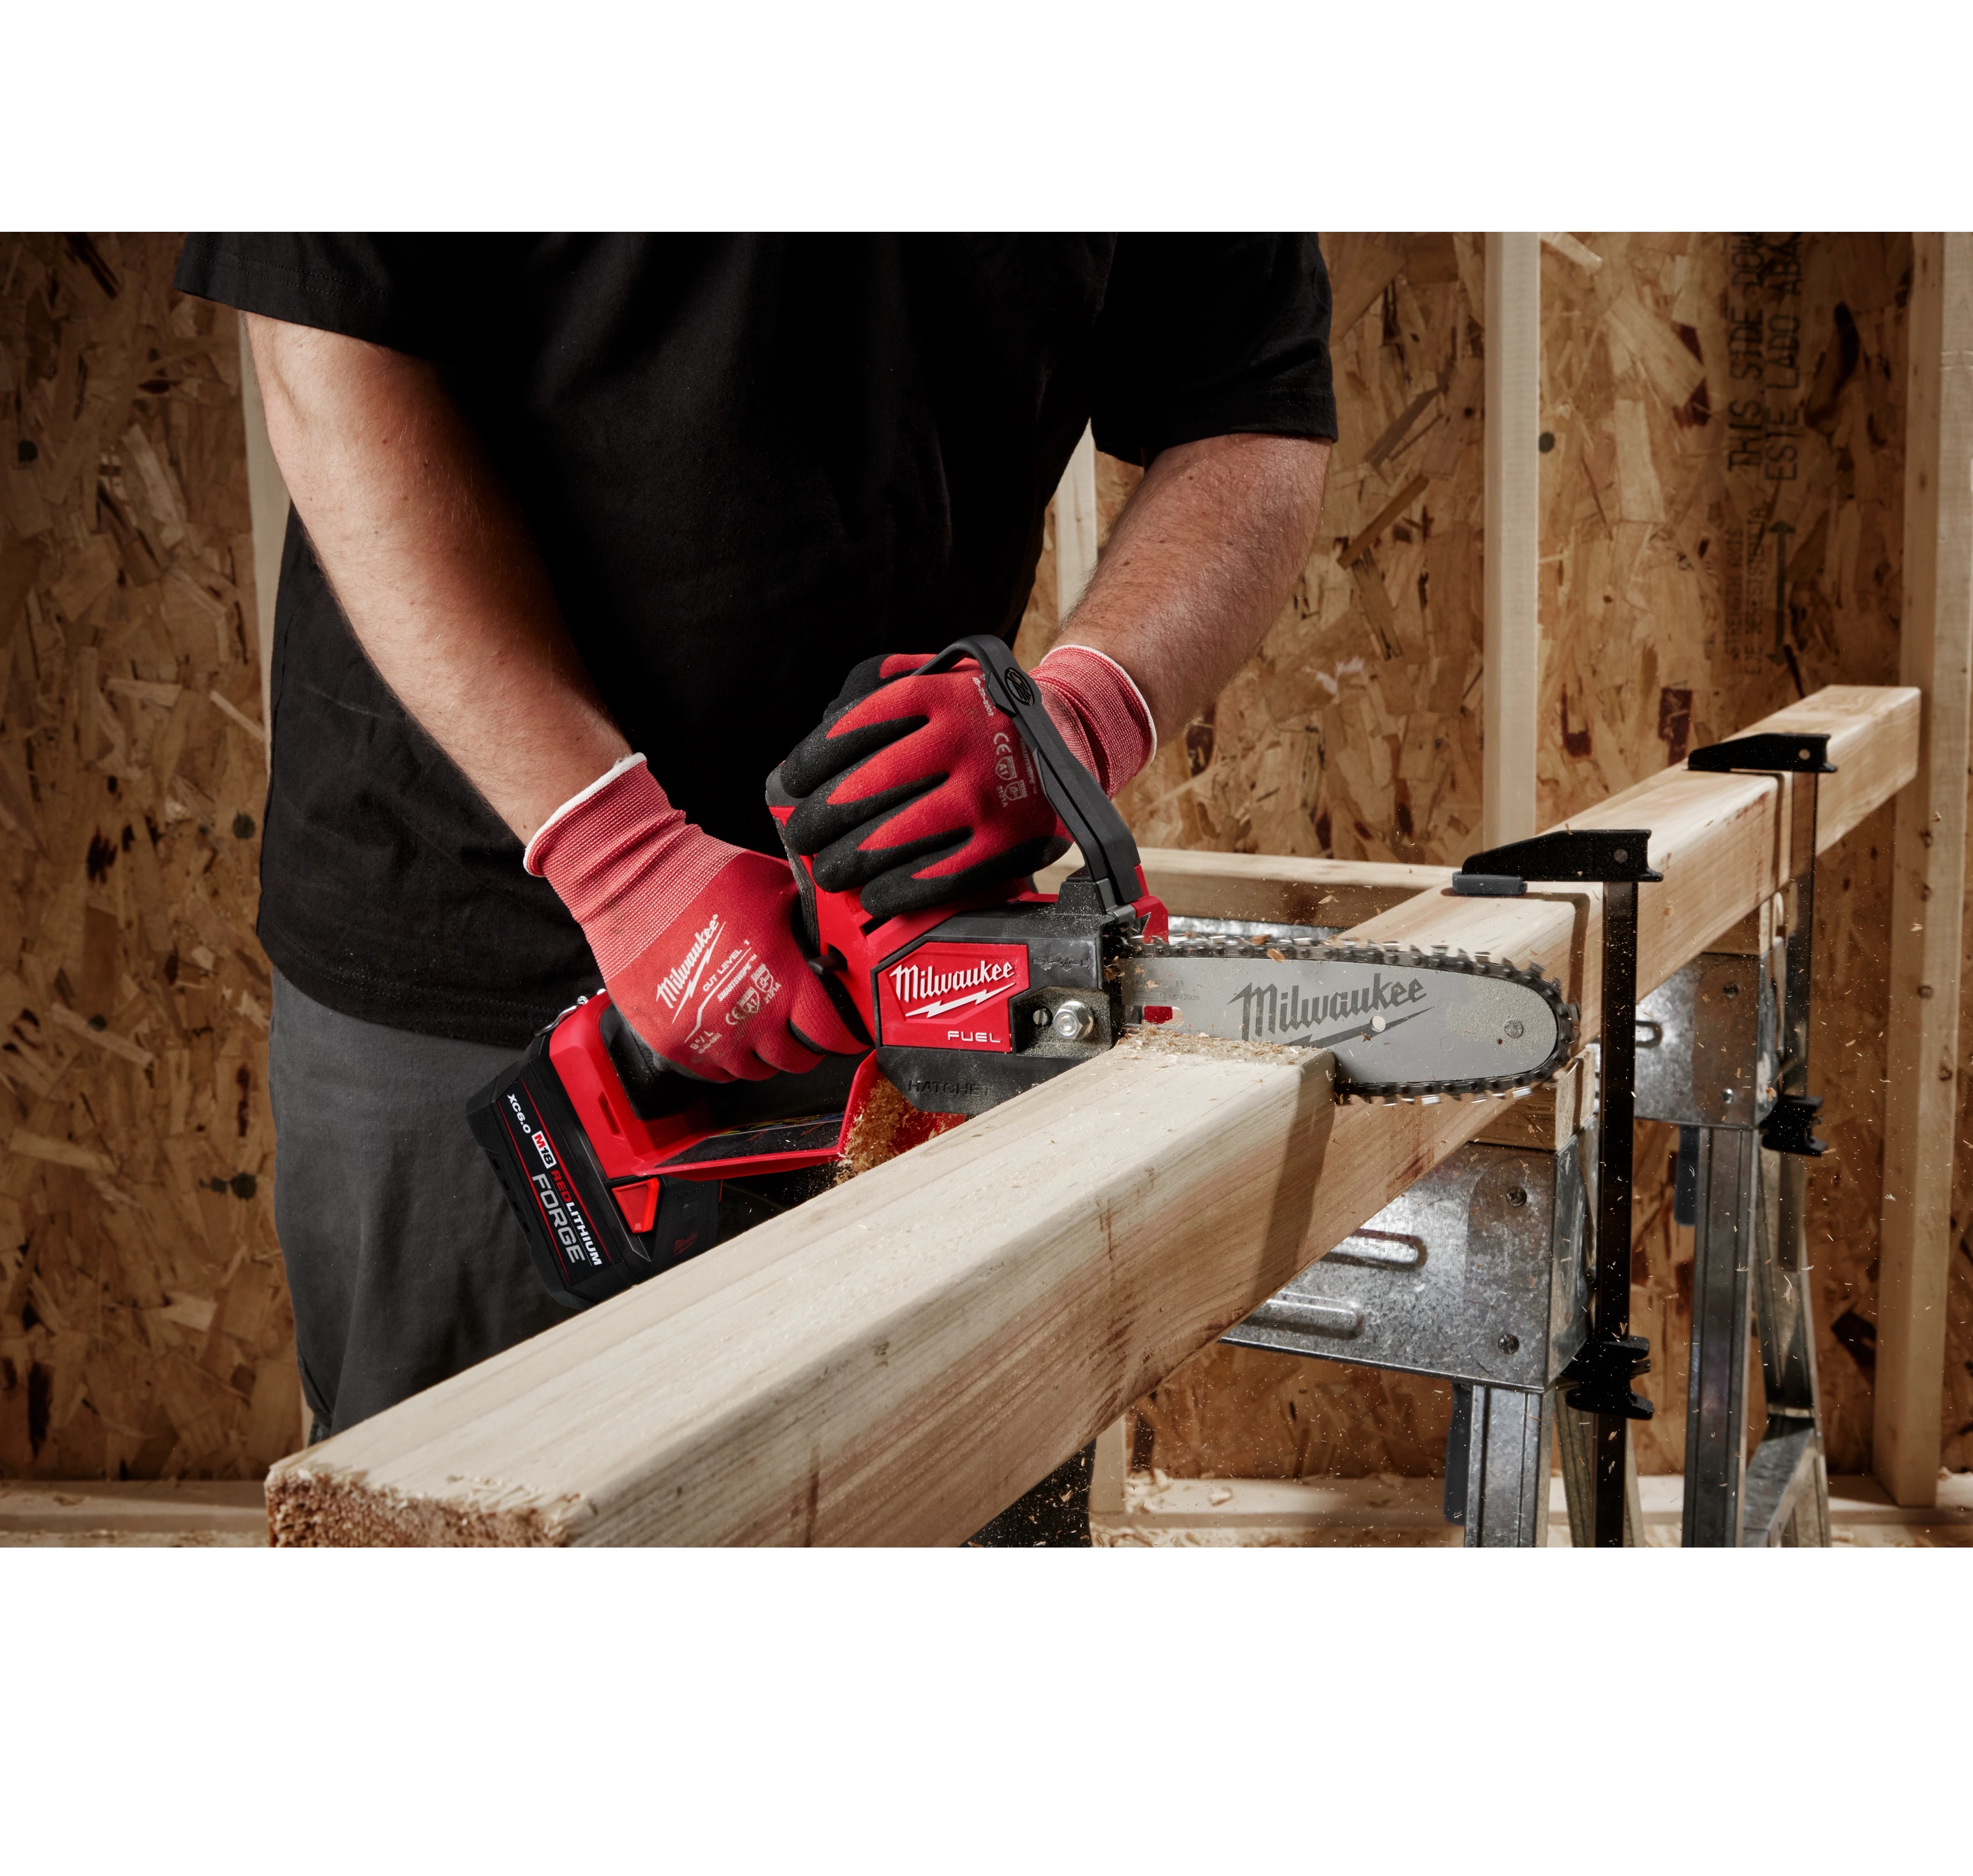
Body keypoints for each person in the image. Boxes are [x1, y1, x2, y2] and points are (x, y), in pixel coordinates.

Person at [176, 232, 1335, 1440]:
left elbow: (1249, 400)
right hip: (479, 955)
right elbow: (326, 351)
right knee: (469, 1489)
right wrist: (612, 849)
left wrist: (1081, 718)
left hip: (916, 940)